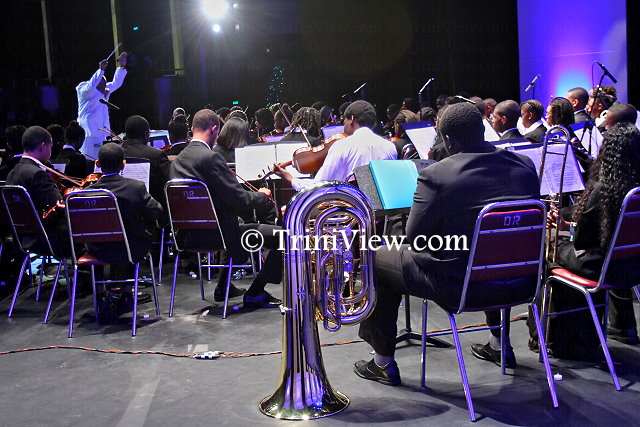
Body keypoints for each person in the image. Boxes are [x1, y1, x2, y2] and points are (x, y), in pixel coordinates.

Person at [353, 103, 539, 384]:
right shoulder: (524, 165)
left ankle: (382, 362)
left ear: (448, 140)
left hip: (459, 287)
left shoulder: (437, 175)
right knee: (495, 250)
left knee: (376, 256)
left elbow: (416, 237)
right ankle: (500, 343)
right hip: (520, 282)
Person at [541, 123, 640, 353]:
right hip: (631, 264)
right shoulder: (634, 189)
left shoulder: (603, 189)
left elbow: (581, 242)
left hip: (600, 267)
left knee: (549, 248)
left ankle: (555, 337)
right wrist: (569, 224)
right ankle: (619, 328)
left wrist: (563, 228)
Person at [170, 109, 282, 308]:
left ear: (192, 128)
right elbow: (239, 199)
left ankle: (223, 287)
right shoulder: (210, 158)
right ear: (214, 129)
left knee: (233, 221)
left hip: (187, 237)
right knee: (284, 237)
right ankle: (256, 292)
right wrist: (262, 195)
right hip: (218, 236)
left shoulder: (177, 161)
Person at [274, 100, 397, 191]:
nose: (343, 125)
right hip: (381, 215)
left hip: (350, 212)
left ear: (351, 119)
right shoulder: (390, 147)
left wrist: (291, 179)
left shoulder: (342, 145)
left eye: (344, 120)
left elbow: (320, 186)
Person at [87, 143, 163, 263]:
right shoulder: (136, 187)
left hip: (97, 250)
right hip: (131, 249)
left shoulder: (86, 193)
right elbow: (156, 212)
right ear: (123, 164)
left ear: (97, 164)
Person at [6, 126, 72, 257]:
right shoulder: (37, 174)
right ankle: (88, 270)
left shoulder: (12, 173)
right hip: (45, 239)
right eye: (50, 147)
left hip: (21, 237)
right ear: (43, 146)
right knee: (87, 231)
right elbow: (58, 205)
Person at [76, 52, 128, 160]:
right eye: (102, 83)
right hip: (90, 134)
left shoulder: (104, 90)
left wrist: (122, 66)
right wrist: (101, 69)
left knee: (102, 161)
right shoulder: (84, 89)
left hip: (103, 134)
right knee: (90, 161)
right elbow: (91, 85)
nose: (105, 86)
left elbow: (116, 83)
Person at [120, 115, 170, 210]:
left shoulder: (116, 154)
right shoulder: (157, 155)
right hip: (152, 211)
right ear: (146, 134)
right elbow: (168, 183)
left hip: (122, 211)